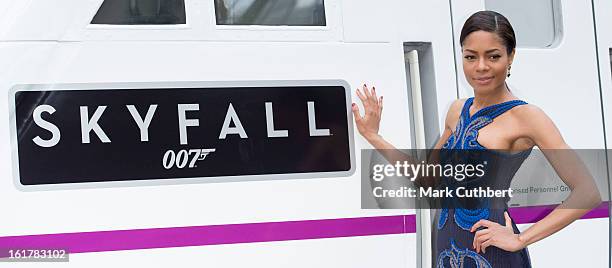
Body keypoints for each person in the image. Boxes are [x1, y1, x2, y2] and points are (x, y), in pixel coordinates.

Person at [351, 10, 601, 267]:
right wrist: (373, 136)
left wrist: (520, 239)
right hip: (446, 248)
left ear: (511, 56)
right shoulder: (457, 111)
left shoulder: (527, 117)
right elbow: (426, 177)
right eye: (471, 57)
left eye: (493, 56)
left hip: (493, 252)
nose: (481, 66)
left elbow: (588, 192)